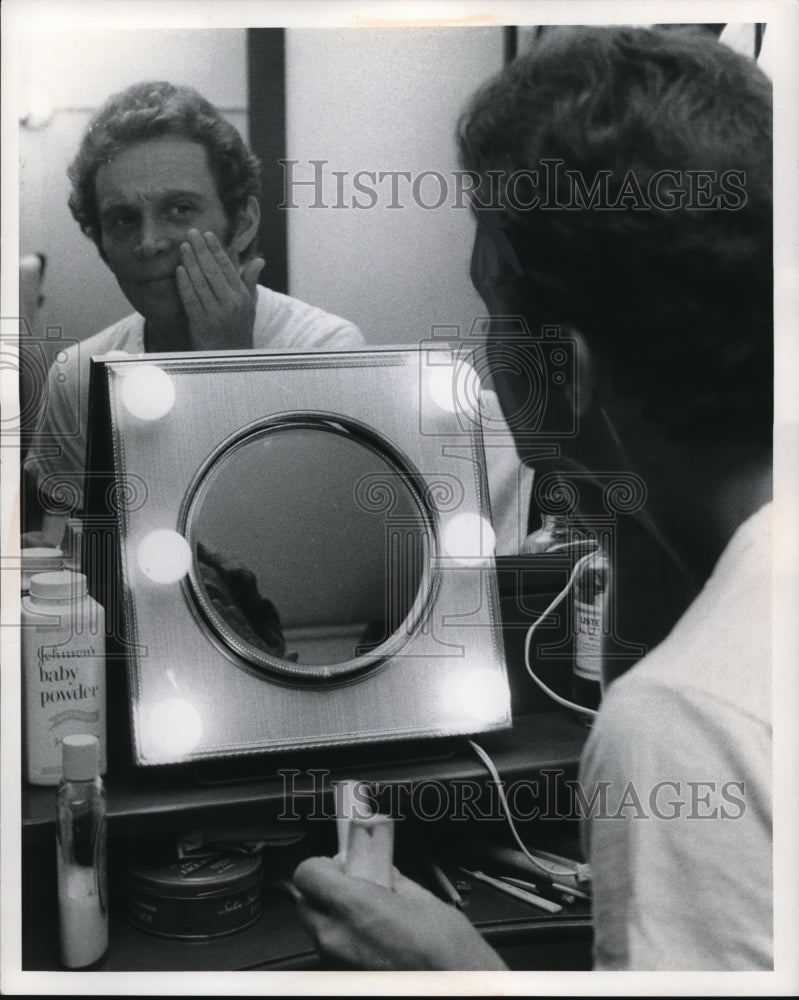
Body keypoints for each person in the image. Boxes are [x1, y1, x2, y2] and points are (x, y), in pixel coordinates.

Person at [292, 24, 773, 971]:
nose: (483, 353)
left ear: (567, 370)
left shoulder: (690, 721)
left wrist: (462, 976)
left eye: (494, 316)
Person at [23, 81, 364, 546]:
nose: (149, 243)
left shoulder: (324, 352)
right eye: (123, 219)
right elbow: (65, 557)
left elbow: (315, 554)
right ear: (101, 243)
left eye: (179, 209)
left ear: (241, 223)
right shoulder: (79, 376)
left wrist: (223, 369)